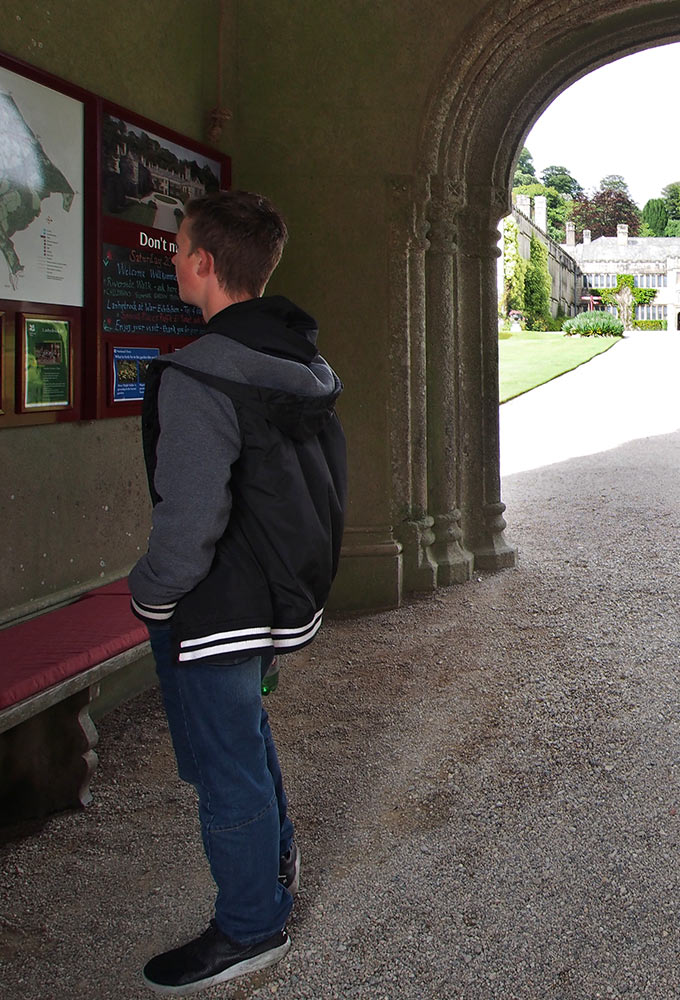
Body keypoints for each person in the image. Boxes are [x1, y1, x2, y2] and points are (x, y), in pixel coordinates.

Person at [129, 191, 347, 992]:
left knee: (223, 767)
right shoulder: (298, 360)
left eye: (180, 246)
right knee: (244, 739)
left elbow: (188, 520)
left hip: (215, 602)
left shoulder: (199, 374)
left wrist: (151, 595)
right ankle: (274, 858)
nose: (175, 257)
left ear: (205, 263)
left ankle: (252, 925)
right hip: (272, 593)